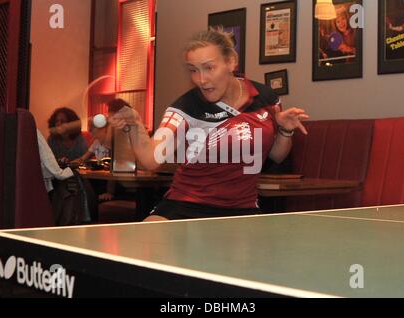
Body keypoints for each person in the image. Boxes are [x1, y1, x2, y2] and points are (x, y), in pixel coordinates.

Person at [109, 29, 309, 221]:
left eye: (209, 67)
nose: (202, 80)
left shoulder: (266, 98)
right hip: (186, 203)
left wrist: (285, 130)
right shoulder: (186, 108)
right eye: (194, 70)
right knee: (146, 243)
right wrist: (135, 125)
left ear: (231, 62)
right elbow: (151, 160)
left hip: (241, 208)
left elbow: (276, 155)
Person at [71, 118, 113, 201]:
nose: (89, 131)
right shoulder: (96, 143)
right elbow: (83, 158)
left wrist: (110, 192)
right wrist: (70, 163)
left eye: (92, 128)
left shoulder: (111, 143)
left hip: (109, 181)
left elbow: (114, 168)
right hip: (100, 177)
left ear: (102, 129)